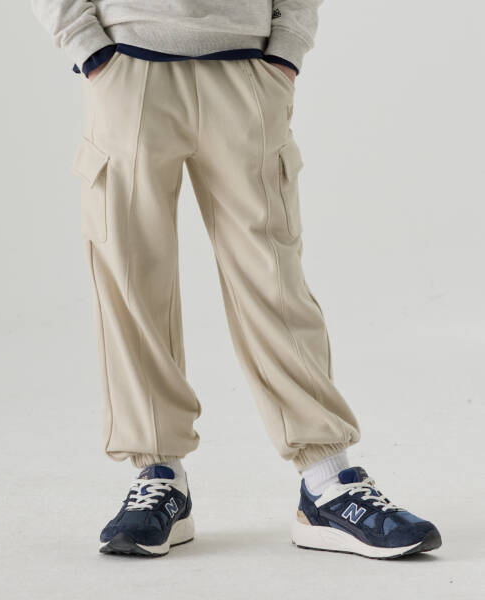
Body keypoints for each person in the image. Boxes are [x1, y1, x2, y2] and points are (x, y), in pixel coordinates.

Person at [32, 0, 441, 559]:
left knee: (273, 280)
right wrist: (85, 43)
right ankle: (159, 476)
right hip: (125, 62)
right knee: (130, 277)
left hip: (247, 65)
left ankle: (326, 482)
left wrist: (287, 48)